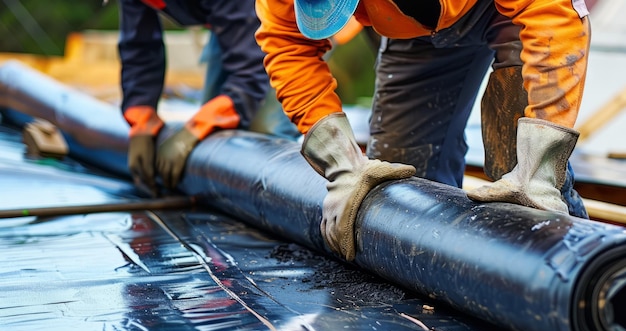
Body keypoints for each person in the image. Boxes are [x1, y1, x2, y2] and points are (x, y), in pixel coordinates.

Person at [255, 0, 591, 262]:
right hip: (411, 26)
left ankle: (586, 276)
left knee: (526, 180)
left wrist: (541, 166)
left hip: (517, 15)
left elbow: (552, 14)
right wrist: (340, 164)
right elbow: (286, 45)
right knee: (397, 208)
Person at [118, 0, 296, 197]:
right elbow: (139, 47)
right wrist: (142, 121)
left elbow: (249, 77)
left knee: (264, 136)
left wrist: (193, 131)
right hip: (237, 23)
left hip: (295, 19)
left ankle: (276, 205)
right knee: (214, 146)